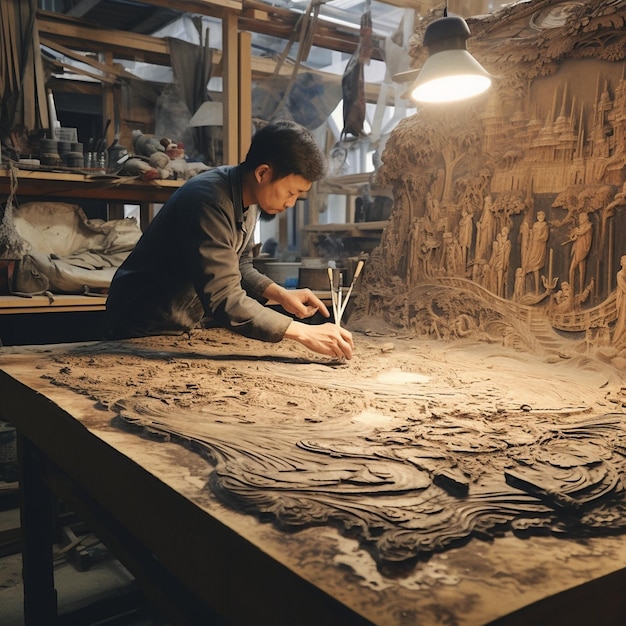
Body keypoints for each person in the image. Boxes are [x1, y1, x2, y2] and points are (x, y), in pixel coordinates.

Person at [103, 121, 354, 360]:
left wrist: (280, 294)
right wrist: (304, 332)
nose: (291, 203)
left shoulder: (249, 198)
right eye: (291, 192)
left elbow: (239, 262)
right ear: (263, 173)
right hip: (141, 324)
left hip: (180, 324)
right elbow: (224, 297)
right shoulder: (209, 201)